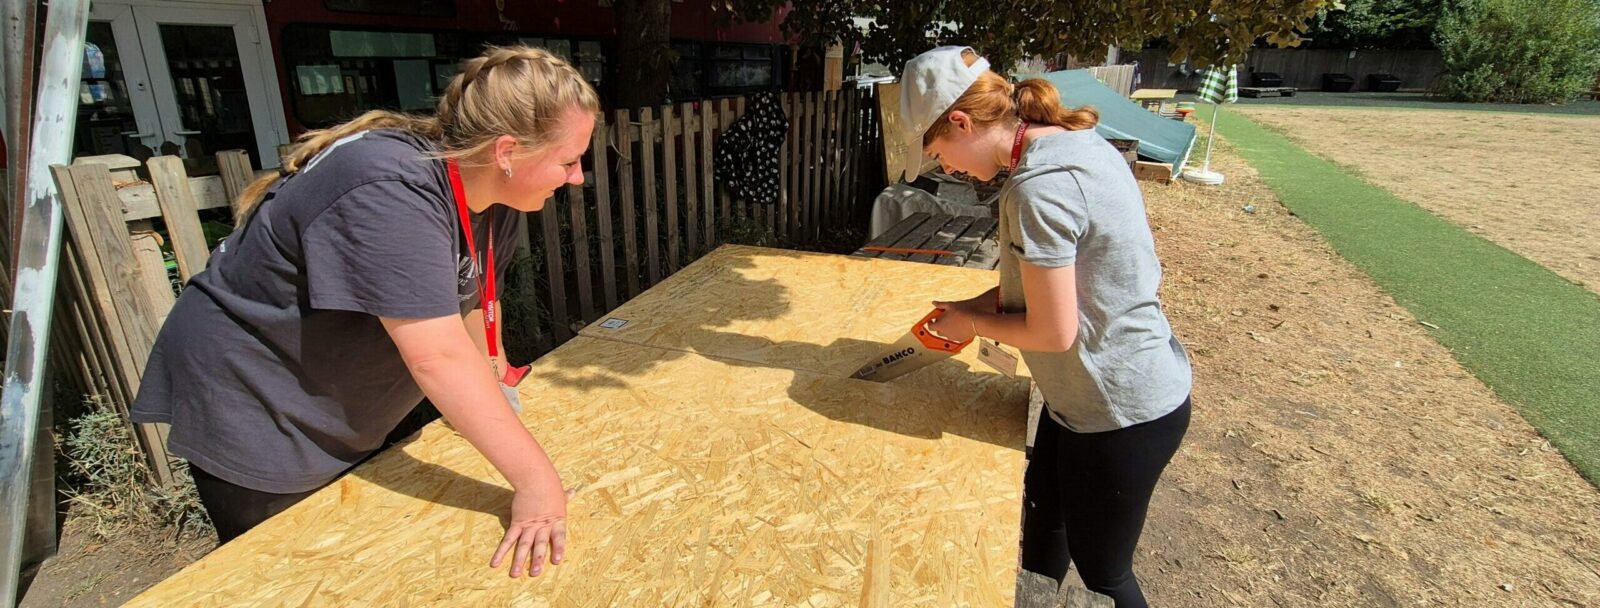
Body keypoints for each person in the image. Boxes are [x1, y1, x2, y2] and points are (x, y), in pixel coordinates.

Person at [130, 46, 594, 580]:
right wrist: (538, 484)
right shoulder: (391, 187)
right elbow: (437, 357)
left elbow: (467, 299)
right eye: (567, 160)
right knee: (290, 576)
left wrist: (494, 392)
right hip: (257, 401)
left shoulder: (493, 194)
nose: (577, 176)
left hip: (336, 404)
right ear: (508, 151)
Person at [900, 46, 1193, 607]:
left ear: (962, 121)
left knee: (1105, 574)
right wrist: (975, 305)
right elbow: (1059, 287)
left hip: (1120, 410)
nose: (950, 169)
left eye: (942, 153)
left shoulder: (1041, 186)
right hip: (1082, 398)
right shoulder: (1071, 143)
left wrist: (973, 322)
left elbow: (1056, 331)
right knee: (1044, 521)